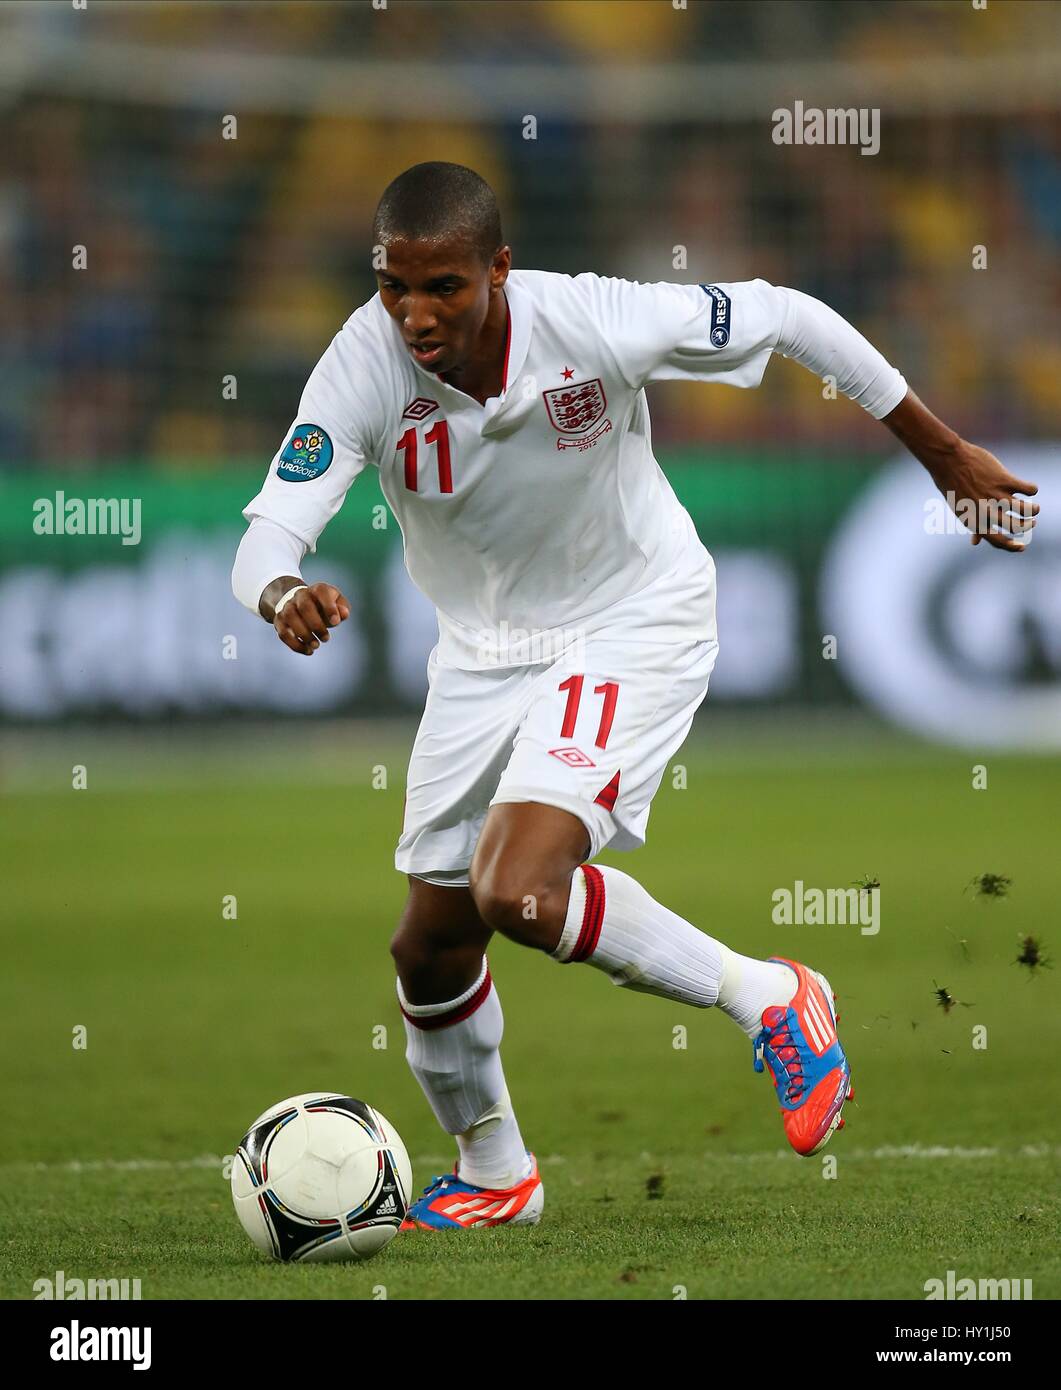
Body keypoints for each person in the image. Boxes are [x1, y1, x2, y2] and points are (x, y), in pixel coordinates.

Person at [232, 162, 1038, 1231]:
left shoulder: (594, 320)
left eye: (443, 287)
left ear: (499, 271)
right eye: (394, 286)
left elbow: (787, 316)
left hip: (633, 617)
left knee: (517, 889)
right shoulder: (361, 364)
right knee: (428, 950)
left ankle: (768, 995)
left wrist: (942, 456)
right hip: (479, 656)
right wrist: (282, 591)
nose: (415, 315)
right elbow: (267, 538)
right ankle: (496, 1173)